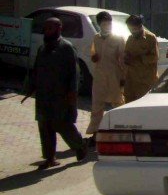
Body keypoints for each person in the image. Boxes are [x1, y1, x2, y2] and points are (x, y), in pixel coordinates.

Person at [24, 17, 87, 169]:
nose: (47, 31)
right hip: (43, 95)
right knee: (44, 126)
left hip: (61, 95)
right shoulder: (42, 48)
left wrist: (72, 92)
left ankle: (80, 146)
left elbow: (74, 72)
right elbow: (36, 70)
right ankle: (49, 158)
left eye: (50, 28)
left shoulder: (66, 47)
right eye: (45, 28)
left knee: (62, 124)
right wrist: (29, 88)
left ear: (59, 28)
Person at [86, 11, 125, 145]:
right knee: (97, 105)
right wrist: (94, 57)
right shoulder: (96, 38)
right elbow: (93, 54)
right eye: (104, 23)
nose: (107, 26)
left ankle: (121, 132)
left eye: (109, 23)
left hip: (114, 75)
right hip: (99, 76)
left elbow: (123, 59)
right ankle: (95, 134)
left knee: (117, 103)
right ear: (99, 25)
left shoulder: (118, 38)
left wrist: (123, 77)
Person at [123, 15, 159, 103]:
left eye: (134, 29)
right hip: (131, 81)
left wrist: (139, 58)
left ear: (140, 27)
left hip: (146, 81)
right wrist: (126, 58)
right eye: (130, 29)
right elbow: (126, 53)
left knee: (145, 105)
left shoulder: (150, 38)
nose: (132, 31)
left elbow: (155, 57)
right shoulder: (130, 39)